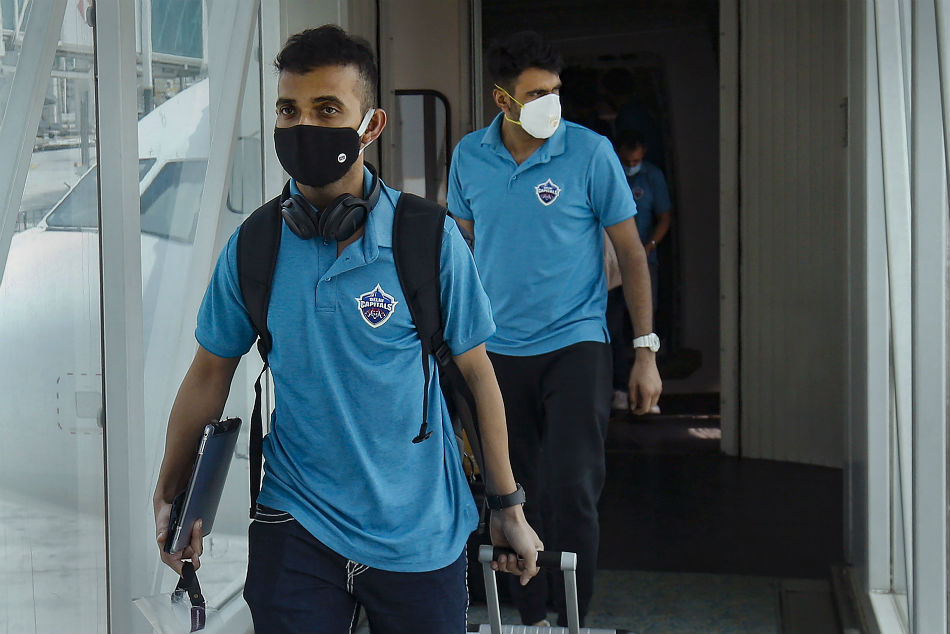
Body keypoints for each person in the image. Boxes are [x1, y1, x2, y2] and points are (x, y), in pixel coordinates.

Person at [152, 26, 541, 634]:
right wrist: (172, 493)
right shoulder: (254, 247)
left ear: (371, 125)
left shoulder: (427, 240)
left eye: (327, 108)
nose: (303, 125)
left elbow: (476, 375)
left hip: (420, 529)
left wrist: (507, 505)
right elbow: (208, 374)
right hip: (297, 519)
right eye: (289, 110)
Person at [447, 31, 662, 628]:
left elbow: (632, 253)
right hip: (496, 351)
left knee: (572, 488)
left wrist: (645, 352)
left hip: (576, 342)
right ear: (503, 100)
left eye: (555, 91)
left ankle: (570, 619)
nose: (551, 103)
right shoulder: (469, 157)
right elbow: (459, 251)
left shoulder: (590, 153)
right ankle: (532, 618)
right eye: (536, 93)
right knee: (514, 493)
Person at [609, 129, 672, 412]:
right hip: (612, 262)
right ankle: (620, 388)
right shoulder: (610, 171)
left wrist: (650, 245)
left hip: (645, 260)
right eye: (628, 158)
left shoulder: (652, 176)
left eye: (637, 159)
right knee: (613, 325)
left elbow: (664, 216)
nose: (633, 162)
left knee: (645, 323)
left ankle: (648, 388)